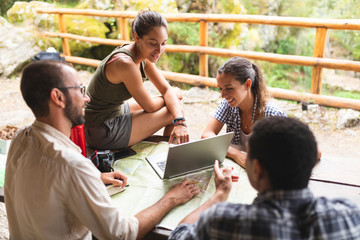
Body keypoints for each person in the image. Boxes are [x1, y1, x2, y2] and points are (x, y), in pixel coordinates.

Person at [5, 60, 200, 239]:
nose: (87, 98)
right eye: (80, 89)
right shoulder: (73, 166)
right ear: (58, 97)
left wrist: (96, 177)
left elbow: (46, 179)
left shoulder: (20, 139)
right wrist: (171, 198)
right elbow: (122, 234)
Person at [169, 117, 360, 240]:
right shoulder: (349, 215)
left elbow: (179, 236)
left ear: (257, 169)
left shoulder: (225, 221)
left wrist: (218, 195)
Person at [85, 10, 188, 150]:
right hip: (101, 129)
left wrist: (172, 98)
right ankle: (168, 147)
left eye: (163, 43)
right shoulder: (125, 63)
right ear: (137, 37)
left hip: (112, 112)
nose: (159, 50)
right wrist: (175, 108)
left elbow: (165, 89)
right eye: (153, 43)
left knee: (174, 104)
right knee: (174, 110)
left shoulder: (142, 53)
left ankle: (165, 143)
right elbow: (150, 106)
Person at [202, 57, 286, 168]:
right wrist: (237, 154)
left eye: (229, 88)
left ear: (247, 84)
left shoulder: (272, 115)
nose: (223, 95)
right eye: (220, 88)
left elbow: (309, 150)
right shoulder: (228, 106)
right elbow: (206, 135)